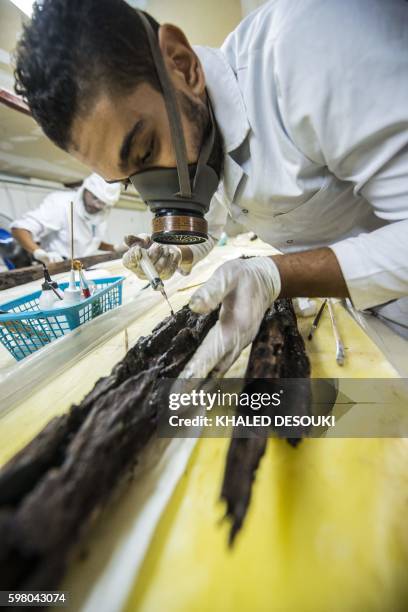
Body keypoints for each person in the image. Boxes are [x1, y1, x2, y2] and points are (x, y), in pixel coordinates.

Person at [13, 0, 408, 374]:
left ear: (182, 66)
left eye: (146, 148)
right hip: (375, 310)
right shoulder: (200, 134)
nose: (154, 192)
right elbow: (215, 223)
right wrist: (180, 247)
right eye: (129, 180)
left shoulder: (310, 50)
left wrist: (278, 274)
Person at [11, 173, 122, 265]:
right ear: (85, 189)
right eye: (95, 198)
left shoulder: (100, 213)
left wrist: (114, 248)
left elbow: (90, 240)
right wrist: (39, 252)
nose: (97, 206)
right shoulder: (60, 203)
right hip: (56, 265)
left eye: (103, 203)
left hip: (81, 265)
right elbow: (19, 229)